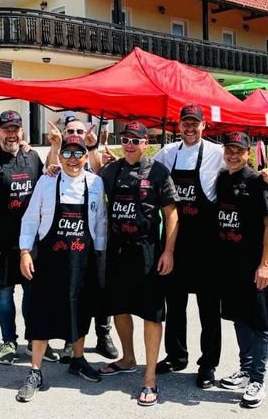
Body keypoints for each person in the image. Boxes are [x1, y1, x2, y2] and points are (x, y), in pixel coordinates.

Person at [17, 135, 107, 402]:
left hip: (83, 261)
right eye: (67, 154)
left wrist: (99, 258)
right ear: (60, 157)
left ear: (85, 156)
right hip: (49, 260)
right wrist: (24, 252)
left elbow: (100, 221)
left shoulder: (96, 182)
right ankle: (35, 371)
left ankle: (78, 360)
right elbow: (30, 219)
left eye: (78, 154)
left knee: (81, 310)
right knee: (42, 313)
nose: (73, 160)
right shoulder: (47, 181)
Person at [98, 121, 179, 407]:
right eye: (126, 139)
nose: (130, 144)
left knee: (151, 313)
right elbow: (86, 177)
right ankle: (128, 358)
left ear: (146, 143)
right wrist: (55, 161)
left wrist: (168, 252)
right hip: (118, 250)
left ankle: (149, 376)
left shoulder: (157, 172)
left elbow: (171, 214)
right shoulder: (111, 170)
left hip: (148, 250)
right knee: (119, 306)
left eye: (135, 140)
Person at [0, 110, 58, 365]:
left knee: (33, 293)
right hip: (1, 242)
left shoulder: (31, 156)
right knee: (4, 293)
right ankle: (9, 341)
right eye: (6, 129)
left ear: (22, 132)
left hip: (30, 242)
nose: (12, 133)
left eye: (16, 129)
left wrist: (56, 145)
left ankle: (35, 341)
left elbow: (49, 175)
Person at [153, 104, 224, 388]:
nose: (190, 128)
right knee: (175, 303)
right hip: (174, 241)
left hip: (206, 243)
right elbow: (146, 173)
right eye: (185, 123)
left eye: (195, 123)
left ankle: (208, 363)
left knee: (208, 307)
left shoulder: (217, 153)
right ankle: (176, 355)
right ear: (178, 125)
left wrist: (265, 176)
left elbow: (241, 171)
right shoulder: (168, 153)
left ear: (204, 126)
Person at [215, 132, 268, 409]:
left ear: (247, 153)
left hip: (256, 265)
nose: (232, 155)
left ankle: (258, 378)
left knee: (260, 322)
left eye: (238, 151)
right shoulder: (221, 179)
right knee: (239, 318)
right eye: (228, 150)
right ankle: (245, 369)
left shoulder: (258, 182)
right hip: (231, 265)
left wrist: (265, 264)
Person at [46, 116, 119, 360]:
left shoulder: (89, 154)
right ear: (65, 134)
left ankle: (103, 334)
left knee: (99, 286)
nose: (75, 133)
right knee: (73, 288)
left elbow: (98, 172)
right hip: (66, 234)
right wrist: (56, 147)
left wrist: (93, 146)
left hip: (94, 232)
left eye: (79, 129)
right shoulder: (61, 154)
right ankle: (71, 337)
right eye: (71, 130)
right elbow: (48, 172)